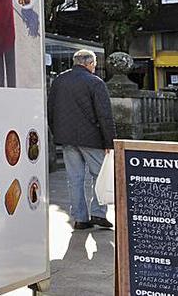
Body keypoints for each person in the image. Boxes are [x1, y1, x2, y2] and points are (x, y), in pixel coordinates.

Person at [48, 49, 117, 230]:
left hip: (67, 137)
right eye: (94, 64)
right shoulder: (95, 82)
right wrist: (109, 141)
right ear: (89, 63)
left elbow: (51, 109)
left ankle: (80, 218)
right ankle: (98, 213)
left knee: (75, 178)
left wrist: (57, 133)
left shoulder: (59, 81)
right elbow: (104, 115)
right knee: (99, 176)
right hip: (92, 138)